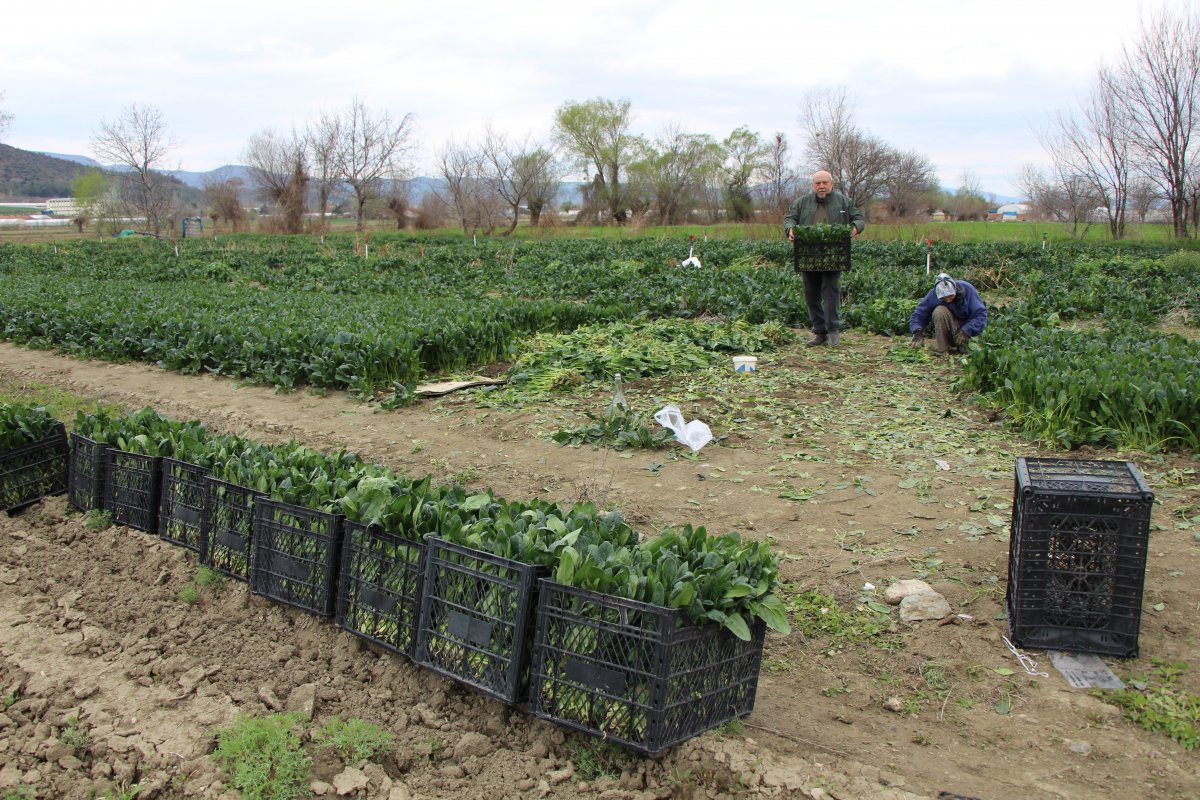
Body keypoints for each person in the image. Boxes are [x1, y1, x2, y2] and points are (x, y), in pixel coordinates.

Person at [783, 170, 865, 347]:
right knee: (811, 294)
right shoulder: (802, 203)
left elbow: (858, 218)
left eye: (824, 183)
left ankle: (833, 330)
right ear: (813, 185)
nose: (821, 186)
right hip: (808, 254)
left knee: (830, 291)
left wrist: (854, 228)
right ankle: (819, 331)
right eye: (818, 183)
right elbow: (790, 219)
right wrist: (790, 229)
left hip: (834, 254)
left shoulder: (844, 202)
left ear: (831, 184)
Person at [908, 272, 987, 355]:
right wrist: (917, 331)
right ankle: (943, 349)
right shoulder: (933, 294)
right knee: (939, 311)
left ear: (955, 290)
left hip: (969, 333)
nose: (948, 300)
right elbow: (919, 314)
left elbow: (981, 314)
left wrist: (967, 330)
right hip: (952, 328)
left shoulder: (968, 289)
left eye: (950, 296)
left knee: (970, 349)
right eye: (943, 298)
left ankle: (964, 346)